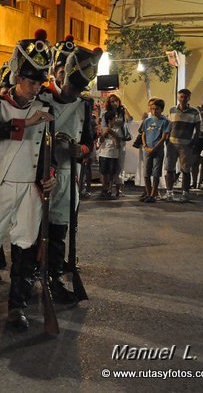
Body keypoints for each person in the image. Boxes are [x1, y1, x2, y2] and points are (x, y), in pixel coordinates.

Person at [0, 30, 55, 333]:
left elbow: (46, 150)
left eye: (39, 82)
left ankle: (18, 306)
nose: (35, 87)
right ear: (18, 78)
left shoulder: (46, 110)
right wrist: (26, 123)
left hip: (30, 188)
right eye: (31, 82)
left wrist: (49, 176)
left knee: (26, 248)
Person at [41, 43, 101, 304]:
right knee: (34, 232)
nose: (75, 93)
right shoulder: (41, 99)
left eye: (79, 89)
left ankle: (53, 277)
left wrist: (81, 149)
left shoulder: (84, 105)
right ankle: (32, 275)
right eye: (72, 87)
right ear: (61, 76)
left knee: (58, 233)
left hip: (69, 178)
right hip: (41, 176)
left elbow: (90, 138)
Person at [165, 89, 201, 203]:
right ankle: (169, 193)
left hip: (186, 145)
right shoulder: (172, 110)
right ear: (178, 97)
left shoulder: (195, 112)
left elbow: (198, 128)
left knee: (185, 169)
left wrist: (194, 141)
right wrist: (166, 139)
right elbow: (169, 126)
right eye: (181, 96)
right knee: (169, 169)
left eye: (185, 97)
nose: (183, 99)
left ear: (189, 98)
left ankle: (185, 194)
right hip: (172, 143)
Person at [101, 94, 132, 197]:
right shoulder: (106, 114)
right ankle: (108, 188)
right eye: (112, 101)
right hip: (110, 143)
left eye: (116, 101)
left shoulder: (122, 113)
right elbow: (105, 129)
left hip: (121, 142)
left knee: (120, 165)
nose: (114, 103)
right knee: (110, 167)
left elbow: (130, 119)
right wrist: (114, 137)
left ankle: (119, 189)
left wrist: (125, 108)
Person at [140, 99, 169, 203]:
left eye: (156, 109)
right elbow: (143, 134)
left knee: (156, 173)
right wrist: (145, 146)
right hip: (147, 149)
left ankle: (153, 194)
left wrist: (155, 148)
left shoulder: (165, 121)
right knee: (146, 173)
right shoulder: (147, 121)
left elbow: (164, 137)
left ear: (161, 109)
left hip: (158, 150)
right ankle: (148, 193)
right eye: (152, 109)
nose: (154, 111)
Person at [98, 111, 121, 198]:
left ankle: (110, 190)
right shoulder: (103, 129)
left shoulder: (118, 129)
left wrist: (113, 134)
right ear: (108, 120)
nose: (115, 120)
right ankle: (104, 189)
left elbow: (118, 145)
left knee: (112, 173)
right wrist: (104, 134)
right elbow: (100, 141)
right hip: (103, 153)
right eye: (113, 119)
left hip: (113, 154)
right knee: (103, 172)